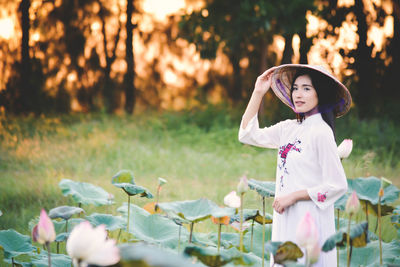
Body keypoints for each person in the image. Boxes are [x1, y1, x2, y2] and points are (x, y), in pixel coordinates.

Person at [238, 64, 352, 266]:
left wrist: (294, 196)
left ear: (321, 94)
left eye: (307, 88)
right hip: (285, 216)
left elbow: (337, 184)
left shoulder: (321, 132)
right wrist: (258, 92)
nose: (298, 94)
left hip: (309, 218)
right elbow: (247, 135)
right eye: (296, 88)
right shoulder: (288, 128)